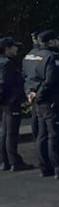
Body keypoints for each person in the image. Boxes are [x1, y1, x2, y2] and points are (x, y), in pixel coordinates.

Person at [24, 32, 59, 178]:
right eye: (56, 41)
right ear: (50, 42)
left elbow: (27, 77)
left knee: (42, 134)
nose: (58, 43)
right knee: (55, 134)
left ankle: (45, 167)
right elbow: (51, 80)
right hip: (51, 100)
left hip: (37, 100)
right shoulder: (52, 57)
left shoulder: (30, 56)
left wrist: (31, 93)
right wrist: (40, 95)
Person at [0, 38, 22, 172]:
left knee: (5, 132)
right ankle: (14, 161)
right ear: (7, 48)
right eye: (14, 47)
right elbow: (5, 83)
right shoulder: (7, 63)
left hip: (4, 102)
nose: (16, 49)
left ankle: (5, 161)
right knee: (11, 133)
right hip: (10, 101)